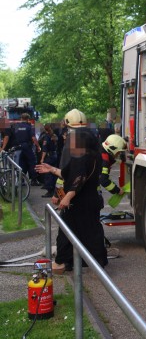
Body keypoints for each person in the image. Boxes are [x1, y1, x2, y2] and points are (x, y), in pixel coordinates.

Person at [35, 108, 107, 273]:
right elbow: (71, 172)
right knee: (88, 231)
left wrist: (65, 196)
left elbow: (78, 175)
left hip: (78, 200)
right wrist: (52, 169)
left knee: (69, 231)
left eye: (67, 132)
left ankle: (63, 262)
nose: (66, 136)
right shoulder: (91, 142)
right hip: (89, 198)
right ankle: (92, 263)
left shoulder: (77, 142)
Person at [12, 113, 41, 184]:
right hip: (27, 146)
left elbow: (13, 136)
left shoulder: (16, 126)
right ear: (28, 119)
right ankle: (34, 180)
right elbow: (33, 138)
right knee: (32, 162)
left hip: (18, 147)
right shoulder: (29, 126)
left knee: (21, 163)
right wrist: (38, 146)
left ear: (21, 118)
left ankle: (21, 180)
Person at [38, 123, 59, 197]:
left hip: (49, 157)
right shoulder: (54, 136)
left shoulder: (46, 137)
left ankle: (49, 190)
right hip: (55, 155)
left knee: (48, 174)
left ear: (45, 129)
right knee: (54, 173)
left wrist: (42, 159)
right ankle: (54, 189)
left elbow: (44, 149)